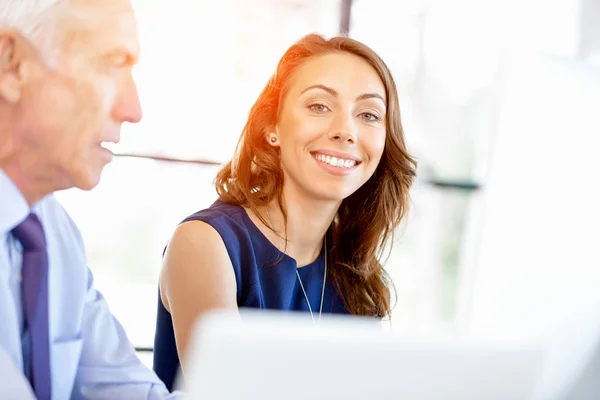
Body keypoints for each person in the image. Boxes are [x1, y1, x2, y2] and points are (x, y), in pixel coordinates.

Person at [154, 33, 417, 390]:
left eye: (368, 114)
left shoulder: (355, 270)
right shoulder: (206, 244)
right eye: (319, 106)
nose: (346, 131)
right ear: (272, 128)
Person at [0, 0, 181, 398]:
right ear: (11, 65)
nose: (132, 110)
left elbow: (122, 388)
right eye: (112, 63)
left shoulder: (51, 232)